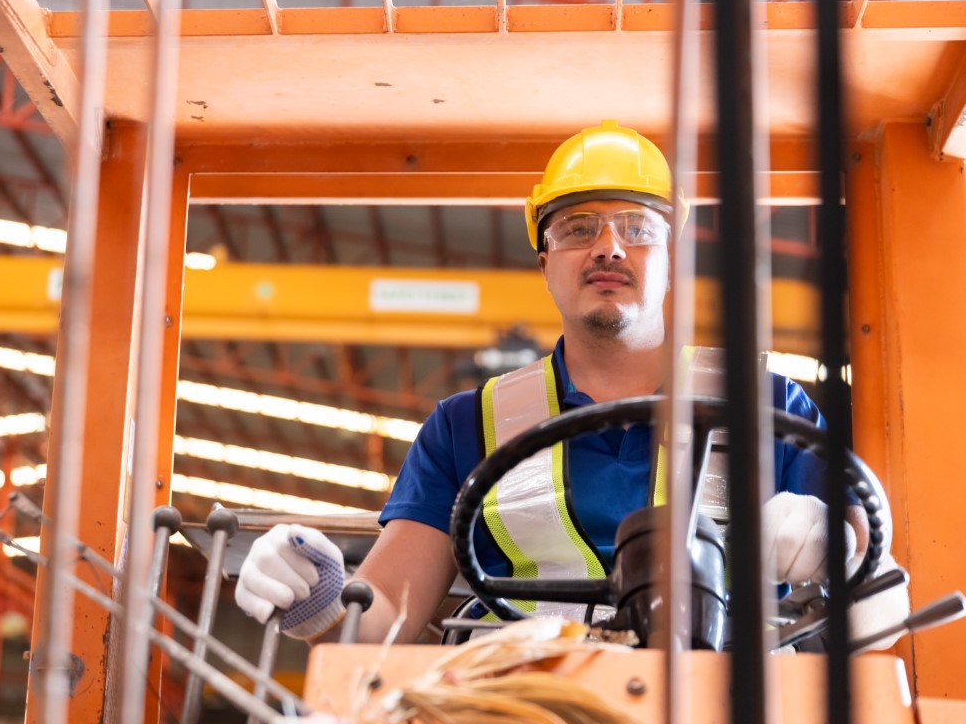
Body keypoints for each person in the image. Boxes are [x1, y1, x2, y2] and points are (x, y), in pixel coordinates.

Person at [234, 120, 909, 648]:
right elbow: (384, 618)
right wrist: (315, 597)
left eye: (638, 229)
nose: (609, 247)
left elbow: (872, 568)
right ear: (545, 263)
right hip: (528, 703)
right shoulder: (465, 428)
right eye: (578, 229)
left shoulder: (765, 403)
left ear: (672, 261)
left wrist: (833, 544)